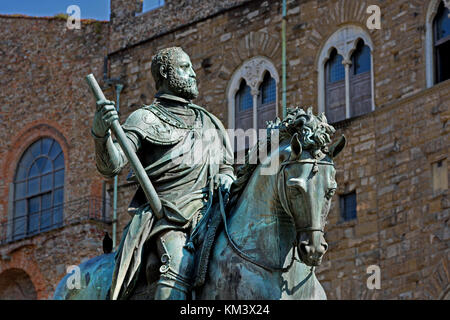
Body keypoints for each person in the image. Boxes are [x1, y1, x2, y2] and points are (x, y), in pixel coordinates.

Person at [91, 47, 235, 300]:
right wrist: (101, 135)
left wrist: (227, 176)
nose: (193, 74)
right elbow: (112, 165)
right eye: (185, 68)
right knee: (178, 261)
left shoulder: (210, 122)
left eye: (191, 68)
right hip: (168, 217)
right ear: (166, 73)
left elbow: (226, 167)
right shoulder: (145, 119)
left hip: (213, 211)